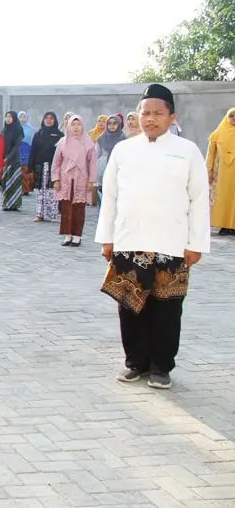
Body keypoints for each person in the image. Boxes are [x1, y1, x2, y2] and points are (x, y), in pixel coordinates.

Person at [96, 83, 210, 389]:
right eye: (145, 113)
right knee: (129, 307)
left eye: (158, 113)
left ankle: (161, 366)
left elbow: (199, 198)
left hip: (172, 245)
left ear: (171, 117)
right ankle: (135, 362)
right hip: (129, 241)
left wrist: (196, 244)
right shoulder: (123, 150)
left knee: (167, 308)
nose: (150, 119)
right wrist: (107, 238)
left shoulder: (187, 151)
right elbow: (110, 197)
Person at [52, 114, 97, 246]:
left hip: (81, 179)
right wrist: (56, 179)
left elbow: (92, 163)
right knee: (66, 208)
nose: (76, 128)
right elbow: (56, 162)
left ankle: (77, 236)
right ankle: (68, 235)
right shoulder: (62, 142)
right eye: (73, 124)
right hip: (66, 178)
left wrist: (91, 180)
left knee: (78, 208)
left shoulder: (88, 143)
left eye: (78, 125)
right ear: (68, 126)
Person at [28, 111, 63, 223]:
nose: (48, 120)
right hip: (41, 166)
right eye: (46, 118)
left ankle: (53, 214)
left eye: (51, 118)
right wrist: (31, 168)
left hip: (54, 167)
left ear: (55, 120)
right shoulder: (38, 134)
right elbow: (33, 151)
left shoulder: (60, 135)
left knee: (52, 190)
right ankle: (40, 214)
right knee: (41, 192)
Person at [206, 106, 235, 235]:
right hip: (221, 173)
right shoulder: (217, 134)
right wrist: (208, 170)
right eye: (231, 116)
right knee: (222, 198)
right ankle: (224, 225)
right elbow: (210, 154)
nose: (234, 118)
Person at [95, 113, 126, 208]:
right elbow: (96, 156)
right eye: (110, 123)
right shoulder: (100, 139)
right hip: (102, 172)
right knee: (103, 202)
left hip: (117, 173)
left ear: (119, 125)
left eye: (114, 123)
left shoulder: (124, 140)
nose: (112, 126)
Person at [0, 111, 24, 211]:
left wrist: (8, 158)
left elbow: (16, 146)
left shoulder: (18, 130)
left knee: (14, 182)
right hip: (4, 161)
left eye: (10, 117)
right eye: (6, 117)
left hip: (14, 161)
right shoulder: (4, 130)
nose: (8, 119)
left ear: (14, 118)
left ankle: (15, 204)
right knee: (5, 182)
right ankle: (6, 203)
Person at [18, 111, 36, 195]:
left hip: (28, 150)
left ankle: (26, 188)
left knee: (26, 169)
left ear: (27, 118)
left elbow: (33, 140)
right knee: (19, 170)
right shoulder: (16, 128)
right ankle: (19, 188)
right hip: (18, 150)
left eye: (24, 117)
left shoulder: (31, 128)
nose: (22, 119)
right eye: (20, 117)